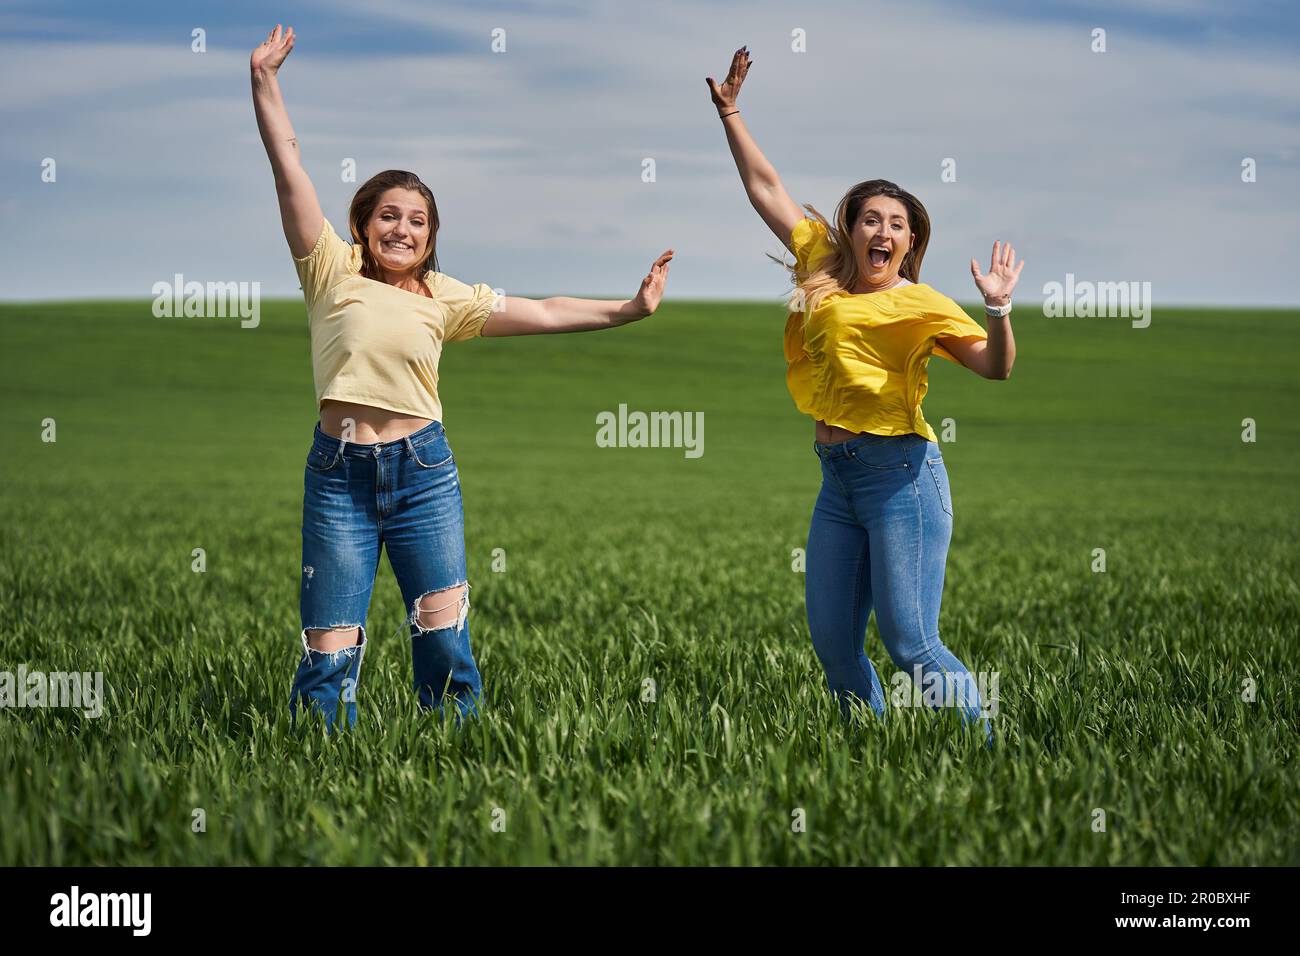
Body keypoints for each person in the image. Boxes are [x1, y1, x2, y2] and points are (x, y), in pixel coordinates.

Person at [251, 25, 673, 730]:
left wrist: (628, 309)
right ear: (361, 224)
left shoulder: (444, 297)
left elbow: (541, 310)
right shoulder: (329, 271)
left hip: (423, 472)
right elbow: (288, 166)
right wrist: (265, 81)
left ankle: (454, 751)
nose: (402, 229)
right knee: (330, 646)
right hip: (339, 475)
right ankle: (316, 758)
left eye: (417, 221)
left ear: (430, 235)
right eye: (388, 216)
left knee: (443, 636)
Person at [707, 47, 1021, 744]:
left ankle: (993, 754)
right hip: (837, 482)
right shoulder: (821, 265)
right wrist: (730, 113)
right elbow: (766, 187)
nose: (883, 231)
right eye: (872, 219)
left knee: (911, 645)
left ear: (910, 245)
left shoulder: (921, 303)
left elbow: (995, 369)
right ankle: (867, 756)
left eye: (897, 225)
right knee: (837, 650)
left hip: (902, 478)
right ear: (851, 228)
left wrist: (998, 312)